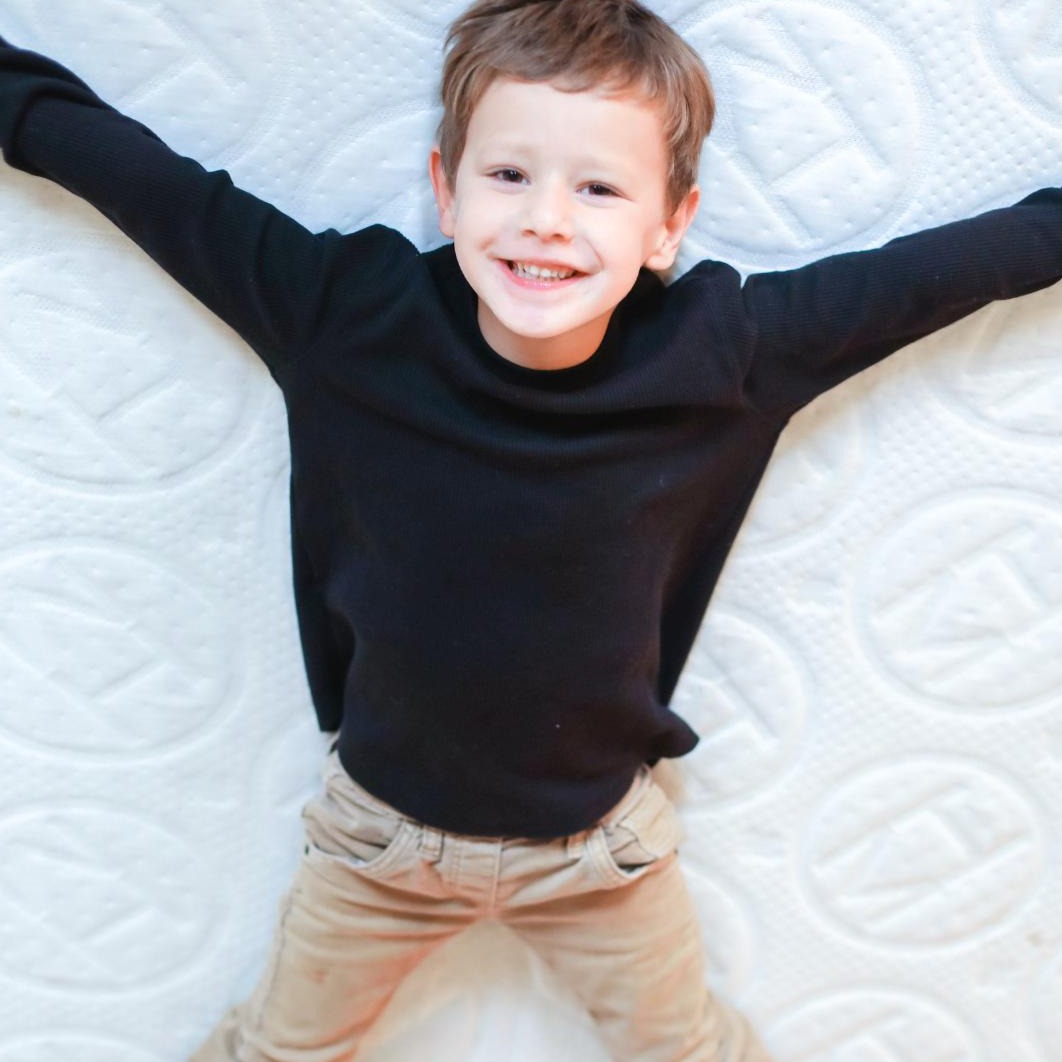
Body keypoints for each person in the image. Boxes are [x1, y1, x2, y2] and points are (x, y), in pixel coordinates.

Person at [1, 1, 1059, 1059]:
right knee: (275, 1052)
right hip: (377, 850)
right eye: (509, 175)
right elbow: (134, 175)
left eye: (598, 188)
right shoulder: (343, 314)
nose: (548, 218)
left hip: (601, 859)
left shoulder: (724, 353)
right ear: (444, 188)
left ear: (669, 225)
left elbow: (951, 270)